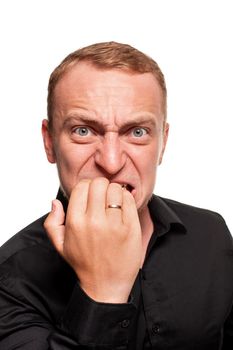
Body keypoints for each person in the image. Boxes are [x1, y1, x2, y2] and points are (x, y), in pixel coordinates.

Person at [0, 41, 232, 350]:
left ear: (162, 144)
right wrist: (102, 293)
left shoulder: (211, 234)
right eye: (83, 130)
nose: (110, 162)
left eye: (137, 132)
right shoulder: (10, 277)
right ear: (49, 142)